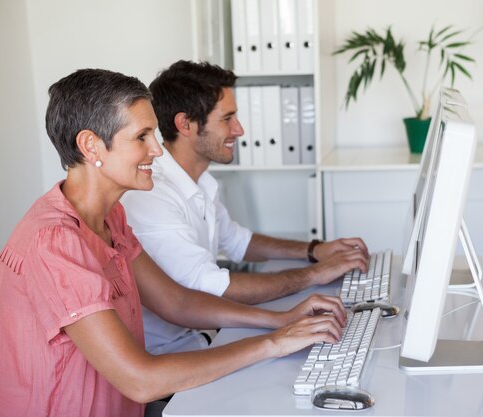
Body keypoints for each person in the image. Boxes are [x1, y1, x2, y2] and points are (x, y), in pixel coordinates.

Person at [0, 68, 347, 417]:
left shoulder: (110, 217)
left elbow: (175, 301)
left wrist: (279, 320)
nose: (157, 149)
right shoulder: (56, 241)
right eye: (142, 137)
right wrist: (275, 342)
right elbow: (141, 381)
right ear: (91, 146)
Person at [121, 60, 369, 355]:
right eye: (227, 118)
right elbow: (211, 287)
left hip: (205, 337)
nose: (238, 130)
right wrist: (313, 276)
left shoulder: (201, 182)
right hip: (174, 356)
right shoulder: (152, 194)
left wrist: (314, 250)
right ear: (185, 124)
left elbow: (239, 242)